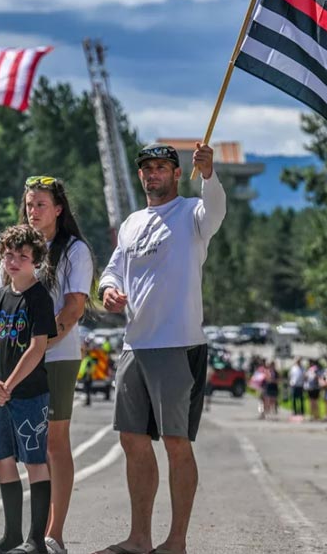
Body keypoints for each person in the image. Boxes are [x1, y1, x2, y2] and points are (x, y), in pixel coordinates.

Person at [95, 141, 225, 554]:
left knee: (175, 442)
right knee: (132, 440)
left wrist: (209, 174)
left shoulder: (192, 213)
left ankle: (176, 542)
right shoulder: (133, 222)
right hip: (135, 345)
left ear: (175, 172)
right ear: (141, 176)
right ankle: (138, 539)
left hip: (178, 344)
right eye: (147, 168)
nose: (153, 174)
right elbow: (113, 269)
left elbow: (216, 209)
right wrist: (109, 290)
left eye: (161, 167)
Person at [0, 174, 95, 554]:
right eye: (29, 204)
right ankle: (26, 534)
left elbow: (73, 308)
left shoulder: (74, 251)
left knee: (54, 441)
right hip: (17, 360)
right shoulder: (16, 249)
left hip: (58, 356)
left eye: (41, 204)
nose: (33, 211)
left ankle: (54, 535)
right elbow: (0, 302)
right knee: (22, 446)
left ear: (58, 209)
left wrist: (41, 345)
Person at [0, 225, 56, 554]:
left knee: (34, 461)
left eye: (22, 256)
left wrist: (9, 384)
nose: (14, 261)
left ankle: (35, 540)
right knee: (3, 460)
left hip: (29, 394)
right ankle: (11, 536)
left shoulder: (39, 297)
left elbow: (37, 348)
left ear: (36, 260)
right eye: (9, 255)